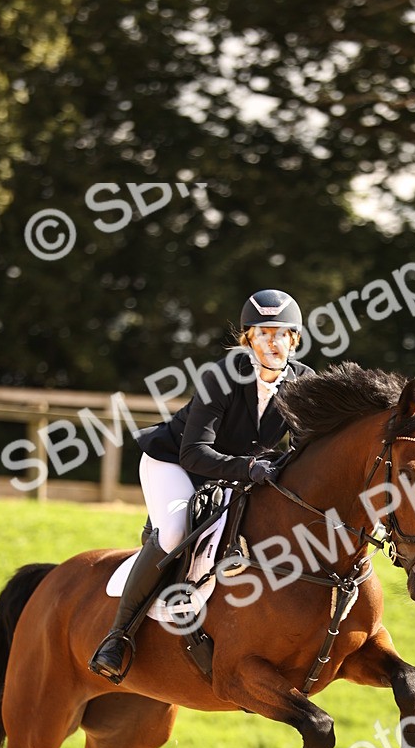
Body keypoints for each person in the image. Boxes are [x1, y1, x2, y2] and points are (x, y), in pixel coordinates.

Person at [89, 288, 312, 683]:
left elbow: (303, 450)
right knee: (175, 531)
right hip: (175, 463)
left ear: (294, 339)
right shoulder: (222, 377)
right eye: (263, 333)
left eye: (281, 334)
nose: (273, 342)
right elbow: (195, 454)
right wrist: (252, 468)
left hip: (239, 471)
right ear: (248, 340)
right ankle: (117, 636)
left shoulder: (303, 384)